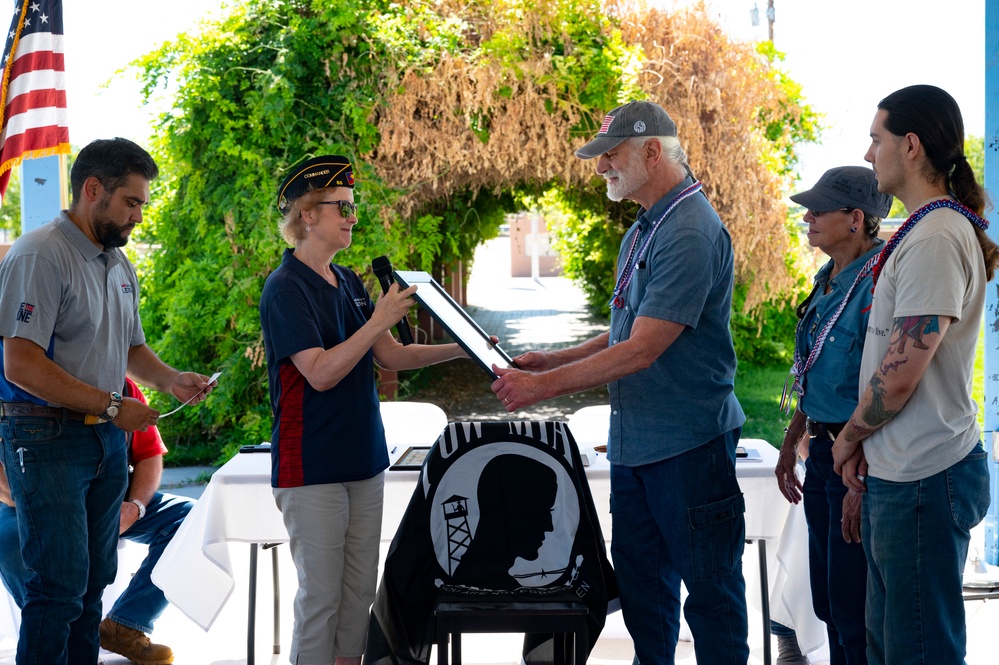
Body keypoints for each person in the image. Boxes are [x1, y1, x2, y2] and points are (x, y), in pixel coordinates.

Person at [491, 100, 748, 664]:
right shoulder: (646, 227)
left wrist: (544, 389)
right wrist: (554, 361)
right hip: (639, 447)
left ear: (652, 152)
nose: (601, 167)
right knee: (643, 595)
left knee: (710, 598)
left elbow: (642, 351)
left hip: (688, 446)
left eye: (611, 156)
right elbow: (626, 330)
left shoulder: (689, 229)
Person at [0, 137, 216, 665]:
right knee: (58, 585)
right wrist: (116, 407)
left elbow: (130, 348)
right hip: (45, 435)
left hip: (103, 438)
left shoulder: (117, 262)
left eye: (142, 203)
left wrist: (170, 379)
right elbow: (20, 364)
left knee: (96, 579)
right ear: (92, 190)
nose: (139, 216)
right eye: (131, 201)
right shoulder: (38, 254)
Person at [260, 154, 471, 665]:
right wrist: (379, 321)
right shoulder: (285, 288)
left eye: (353, 208)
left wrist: (466, 347)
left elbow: (390, 356)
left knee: (358, 596)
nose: (352, 217)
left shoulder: (349, 281)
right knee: (321, 599)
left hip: (363, 458)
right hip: (312, 465)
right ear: (307, 215)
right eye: (341, 208)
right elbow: (322, 372)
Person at [832, 85, 996, 664]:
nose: (869, 152)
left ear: (911, 145)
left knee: (916, 650)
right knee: (892, 645)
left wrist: (849, 438)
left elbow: (901, 372)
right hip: (903, 472)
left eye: (877, 139)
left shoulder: (935, 237)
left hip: (927, 477)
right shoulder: (926, 230)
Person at [774, 166, 892, 665]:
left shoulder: (880, 282)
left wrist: (857, 477)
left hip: (856, 460)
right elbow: (817, 372)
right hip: (822, 452)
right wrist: (791, 440)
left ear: (856, 219)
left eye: (820, 209)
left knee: (852, 608)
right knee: (826, 601)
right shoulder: (830, 277)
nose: (809, 217)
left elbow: (883, 382)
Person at [0, 378, 194, 665]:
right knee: (8, 540)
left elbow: (149, 454)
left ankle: (126, 624)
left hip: (113, 494)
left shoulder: (124, 387)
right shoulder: (19, 390)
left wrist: (136, 506)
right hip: (30, 497)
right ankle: (59, 637)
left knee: (188, 517)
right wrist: (60, 512)